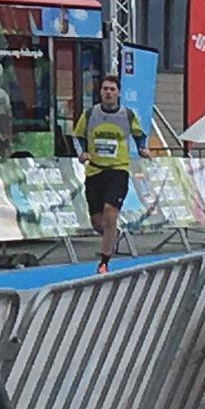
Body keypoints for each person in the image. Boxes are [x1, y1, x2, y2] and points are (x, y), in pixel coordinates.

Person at [73, 72, 146, 274]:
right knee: (98, 222)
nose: (108, 92)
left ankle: (104, 262)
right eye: (105, 89)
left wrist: (142, 148)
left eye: (112, 89)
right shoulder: (90, 114)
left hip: (118, 170)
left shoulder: (127, 115)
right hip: (95, 170)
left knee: (110, 210)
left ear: (118, 93)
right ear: (100, 92)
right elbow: (77, 137)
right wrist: (82, 153)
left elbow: (139, 134)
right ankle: (112, 234)